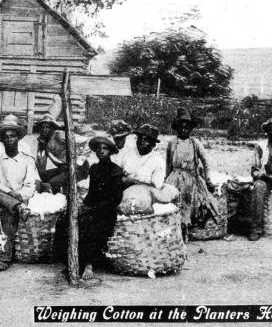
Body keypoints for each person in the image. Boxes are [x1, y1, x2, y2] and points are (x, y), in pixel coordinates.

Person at [0, 114, 38, 272]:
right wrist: (11, 193)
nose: (9, 139)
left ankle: (3, 258)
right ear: (2, 140)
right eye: (6, 137)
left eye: (13, 136)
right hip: (5, 198)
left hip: (21, 199)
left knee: (4, 211)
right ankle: (16, 207)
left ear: (18, 139)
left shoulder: (27, 160)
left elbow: (30, 185)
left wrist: (20, 195)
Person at [74, 134, 124, 281]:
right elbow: (91, 193)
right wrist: (83, 206)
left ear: (110, 151)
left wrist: (95, 208)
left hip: (107, 210)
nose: (101, 151)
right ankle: (73, 261)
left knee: (91, 224)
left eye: (105, 148)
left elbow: (116, 198)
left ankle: (88, 264)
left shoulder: (116, 170)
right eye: (98, 149)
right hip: (93, 207)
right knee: (70, 220)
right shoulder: (94, 169)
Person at [165, 108, 218, 238]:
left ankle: (186, 227)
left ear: (190, 129)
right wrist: (165, 179)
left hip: (191, 177)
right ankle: (175, 228)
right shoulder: (172, 142)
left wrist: (207, 179)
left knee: (194, 202)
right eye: (181, 127)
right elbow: (168, 163)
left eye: (187, 127)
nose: (184, 130)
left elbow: (205, 162)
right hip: (175, 177)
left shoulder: (195, 143)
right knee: (172, 200)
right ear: (177, 128)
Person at [121, 124, 177, 203]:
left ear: (153, 144)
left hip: (143, 198)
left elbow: (156, 188)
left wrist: (132, 182)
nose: (141, 142)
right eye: (139, 138)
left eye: (146, 140)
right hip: (124, 195)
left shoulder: (158, 161)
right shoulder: (128, 154)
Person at [34, 113, 90, 193]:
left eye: (48, 127)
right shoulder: (42, 141)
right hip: (64, 167)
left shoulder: (59, 135)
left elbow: (87, 141)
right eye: (42, 127)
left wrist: (78, 162)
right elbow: (41, 166)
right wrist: (42, 148)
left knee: (53, 183)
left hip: (80, 168)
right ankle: (61, 185)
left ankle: (64, 190)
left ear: (53, 128)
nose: (44, 129)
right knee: (43, 176)